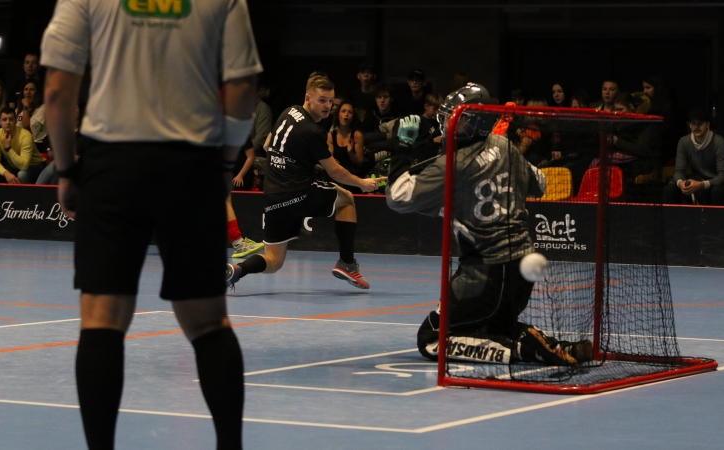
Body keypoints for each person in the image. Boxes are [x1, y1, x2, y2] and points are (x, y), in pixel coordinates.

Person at [41, 1, 262, 449]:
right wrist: (224, 164)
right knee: (208, 322)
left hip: (112, 165)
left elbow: (58, 90)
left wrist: (65, 171)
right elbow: (242, 88)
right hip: (192, 166)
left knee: (102, 318)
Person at [384, 83, 592, 366]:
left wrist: (402, 147)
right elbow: (541, 184)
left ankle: (522, 349)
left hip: (483, 274)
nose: (448, 125)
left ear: (475, 122)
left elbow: (397, 197)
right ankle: (557, 346)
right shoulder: (506, 146)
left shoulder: (452, 164)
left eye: (456, 118)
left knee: (431, 339)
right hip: (522, 269)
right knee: (489, 328)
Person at [226, 76, 381, 290]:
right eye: (322, 100)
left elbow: (268, 144)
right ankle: (347, 263)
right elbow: (335, 171)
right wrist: (362, 183)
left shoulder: (288, 112)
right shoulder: (313, 132)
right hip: (298, 191)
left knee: (273, 261)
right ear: (308, 98)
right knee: (346, 198)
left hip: (272, 196)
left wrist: (292, 159)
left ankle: (237, 270)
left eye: (331, 101)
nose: (328, 106)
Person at [662, 109, 724, 205]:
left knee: (718, 191)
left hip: (714, 182)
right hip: (695, 179)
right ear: (690, 125)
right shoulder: (684, 142)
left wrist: (702, 184)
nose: (696, 127)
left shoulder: (719, 142)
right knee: (669, 189)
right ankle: (671, 215)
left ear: (707, 124)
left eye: (700, 123)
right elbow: (678, 171)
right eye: (693, 124)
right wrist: (681, 183)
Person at [0, 107, 45, 184]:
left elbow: (24, 166)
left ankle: (29, 192)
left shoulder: (25, 136)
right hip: (14, 165)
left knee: (22, 174)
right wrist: (6, 174)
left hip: (34, 165)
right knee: (2, 172)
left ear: (16, 121)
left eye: (11, 119)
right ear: (0, 122)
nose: (8, 122)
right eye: (4, 120)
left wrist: (8, 148)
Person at [327, 100, 365, 177]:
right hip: (336, 174)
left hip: (353, 175)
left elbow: (359, 163)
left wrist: (351, 153)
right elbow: (329, 158)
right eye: (343, 111)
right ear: (338, 115)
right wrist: (333, 162)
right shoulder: (330, 135)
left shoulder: (357, 135)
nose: (346, 114)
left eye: (350, 112)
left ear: (353, 117)